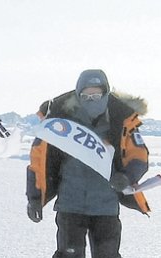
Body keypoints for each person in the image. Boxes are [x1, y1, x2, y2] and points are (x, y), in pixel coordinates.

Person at [26, 69, 150, 258]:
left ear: (106, 93)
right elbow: (39, 160)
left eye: (96, 95)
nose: (91, 100)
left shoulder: (121, 120)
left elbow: (139, 157)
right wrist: (35, 198)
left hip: (106, 207)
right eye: (86, 95)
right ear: (78, 95)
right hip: (70, 205)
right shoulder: (60, 120)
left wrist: (126, 177)